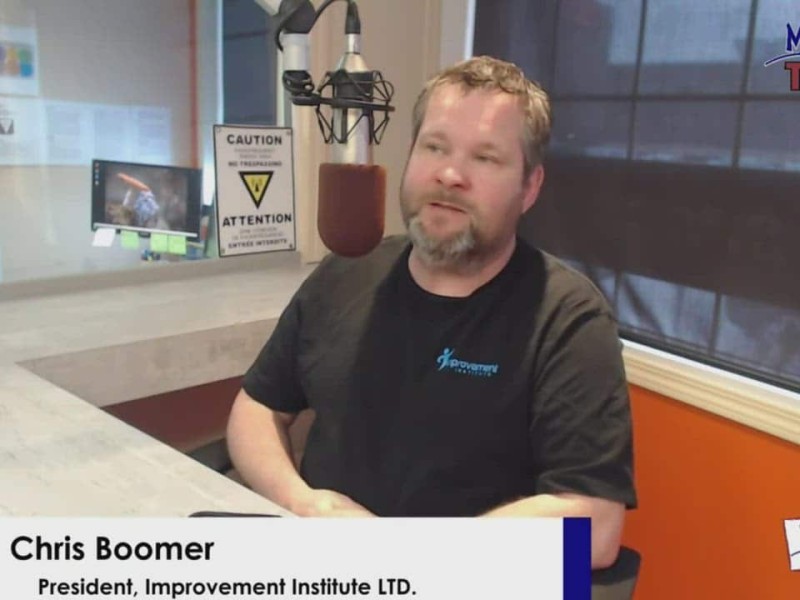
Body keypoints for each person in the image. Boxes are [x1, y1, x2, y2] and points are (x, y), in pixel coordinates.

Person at [227, 56, 636, 569]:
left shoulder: (568, 318)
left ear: (529, 188)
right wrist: (302, 502)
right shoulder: (346, 271)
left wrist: (400, 554)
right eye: (435, 147)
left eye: (485, 157)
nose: (449, 174)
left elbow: (596, 529)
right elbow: (257, 407)